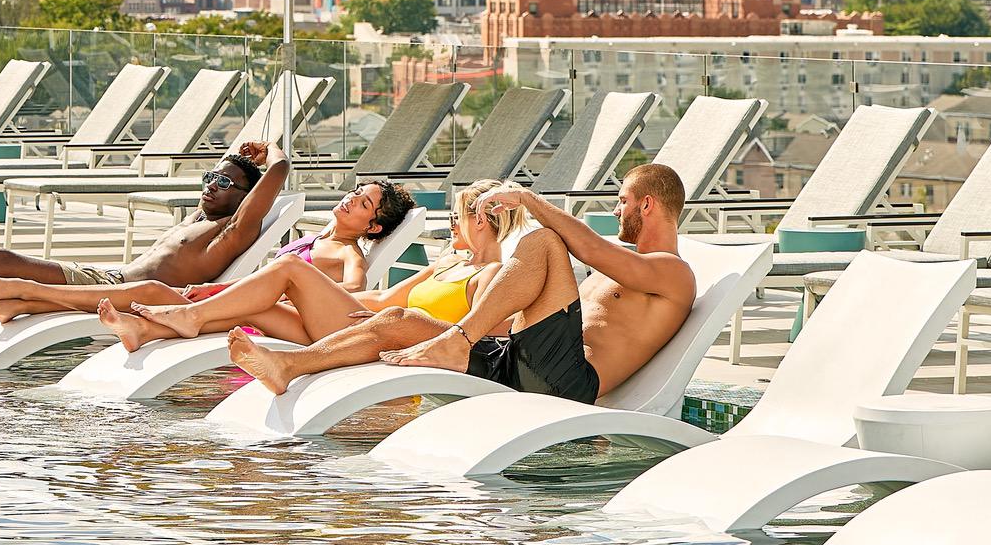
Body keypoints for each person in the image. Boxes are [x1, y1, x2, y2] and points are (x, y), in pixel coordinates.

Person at [226, 163, 696, 403]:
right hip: (521, 360)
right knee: (397, 319)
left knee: (547, 241)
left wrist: (529, 200)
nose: (617, 210)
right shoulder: (632, 265)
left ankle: (458, 339)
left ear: (648, 205)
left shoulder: (673, 272)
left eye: (622, 201)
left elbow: (590, 250)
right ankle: (290, 366)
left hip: (570, 383)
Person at [0, 141, 291, 322]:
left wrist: (270, 154)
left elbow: (279, 173)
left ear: (243, 200)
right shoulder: (201, 219)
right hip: (110, 276)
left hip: (123, 291)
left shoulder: (230, 232)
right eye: (209, 177)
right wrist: (235, 160)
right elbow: (233, 178)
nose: (211, 186)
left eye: (225, 183)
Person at [95, 178, 518, 352]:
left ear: (480, 220)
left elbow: (486, 335)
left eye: (456, 217)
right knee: (255, 307)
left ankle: (188, 316)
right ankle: (146, 329)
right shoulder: (447, 264)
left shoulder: (493, 274)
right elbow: (384, 297)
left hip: (380, 340)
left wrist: (312, 292)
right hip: (356, 322)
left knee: (292, 271)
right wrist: (315, 302)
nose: (450, 225)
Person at [0, 178, 420, 324]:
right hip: (237, 302)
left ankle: (28, 291)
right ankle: (28, 300)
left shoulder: (349, 256)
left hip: (254, 317)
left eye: (363, 203)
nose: (350, 200)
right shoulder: (321, 237)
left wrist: (288, 295)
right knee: (150, 292)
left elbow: (354, 297)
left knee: (150, 290)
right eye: (355, 192)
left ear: (373, 226)